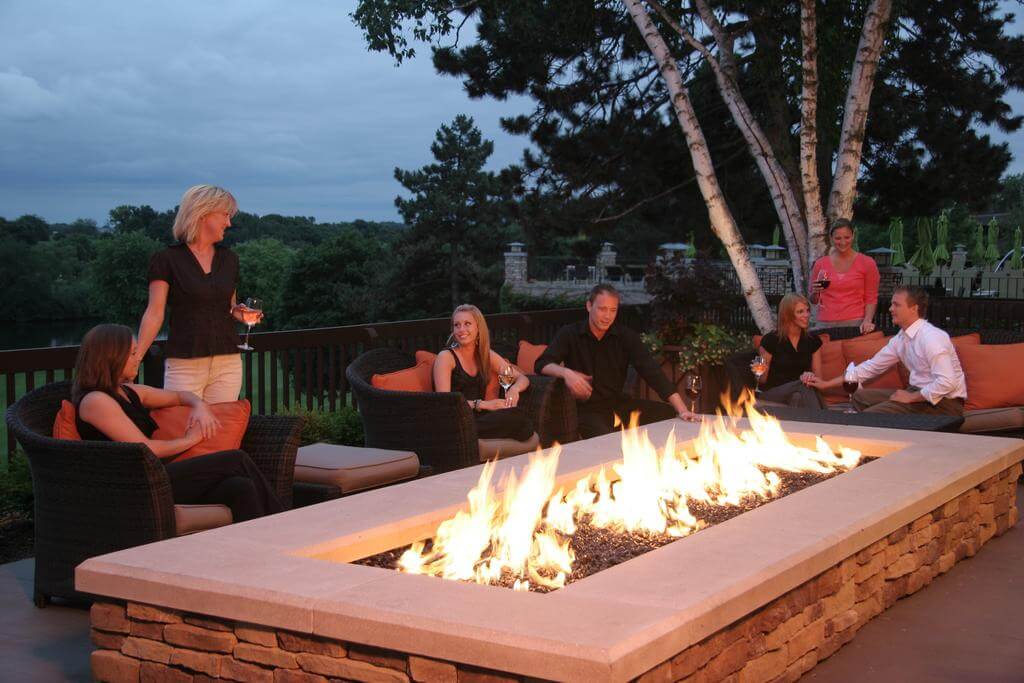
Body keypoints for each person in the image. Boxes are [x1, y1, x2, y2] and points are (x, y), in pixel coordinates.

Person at [73, 324, 282, 522]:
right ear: (113, 357)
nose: (138, 358)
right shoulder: (95, 401)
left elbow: (180, 396)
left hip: (154, 476)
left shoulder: (129, 391)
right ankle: (285, 524)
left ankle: (261, 545)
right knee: (235, 459)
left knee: (240, 487)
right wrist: (190, 439)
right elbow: (146, 449)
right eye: (133, 353)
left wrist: (199, 405)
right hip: (132, 486)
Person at [134, 185, 255, 404]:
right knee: (183, 421)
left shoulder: (230, 260)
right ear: (203, 213)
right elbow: (155, 312)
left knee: (221, 424)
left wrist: (240, 313)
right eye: (225, 215)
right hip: (185, 364)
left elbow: (229, 306)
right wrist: (136, 358)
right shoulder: (166, 260)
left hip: (227, 362)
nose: (228, 223)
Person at [536, 284, 700, 439]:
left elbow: (652, 371)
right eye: (602, 309)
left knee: (668, 414)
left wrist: (682, 410)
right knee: (606, 438)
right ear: (589, 306)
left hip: (618, 404)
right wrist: (567, 373)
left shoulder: (625, 336)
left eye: (613, 310)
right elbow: (542, 364)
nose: (608, 316)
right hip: (586, 410)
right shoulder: (570, 333)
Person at [807, 286, 966, 416]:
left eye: (896, 305)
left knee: (869, 417)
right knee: (859, 396)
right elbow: (871, 367)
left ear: (914, 308)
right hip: (918, 393)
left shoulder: (931, 338)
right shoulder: (901, 338)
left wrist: (911, 397)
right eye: (891, 304)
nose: (890, 309)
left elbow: (947, 383)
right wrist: (826, 384)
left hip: (945, 403)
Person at [433, 305, 536, 442]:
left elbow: (522, 378)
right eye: (457, 325)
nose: (461, 329)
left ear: (478, 327)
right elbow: (445, 402)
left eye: (467, 324)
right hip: (456, 420)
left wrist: (514, 389)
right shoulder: (446, 357)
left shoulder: (484, 355)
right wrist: (484, 404)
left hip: (479, 418)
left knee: (518, 415)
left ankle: (488, 437)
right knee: (519, 421)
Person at [754, 293, 825, 409]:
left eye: (807, 310)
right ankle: (823, 417)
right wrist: (758, 368)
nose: (807, 315)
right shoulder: (770, 340)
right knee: (802, 386)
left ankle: (805, 420)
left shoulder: (813, 341)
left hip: (800, 392)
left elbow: (819, 380)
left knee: (797, 396)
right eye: (800, 312)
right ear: (787, 315)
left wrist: (810, 376)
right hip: (773, 392)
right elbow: (761, 380)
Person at [809, 219, 880, 334]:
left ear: (853, 236)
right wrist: (815, 292)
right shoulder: (820, 264)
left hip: (855, 323)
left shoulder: (867, 263)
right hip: (825, 323)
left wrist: (867, 320)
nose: (843, 242)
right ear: (831, 239)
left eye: (846, 237)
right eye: (838, 238)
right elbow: (813, 300)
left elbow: (871, 297)